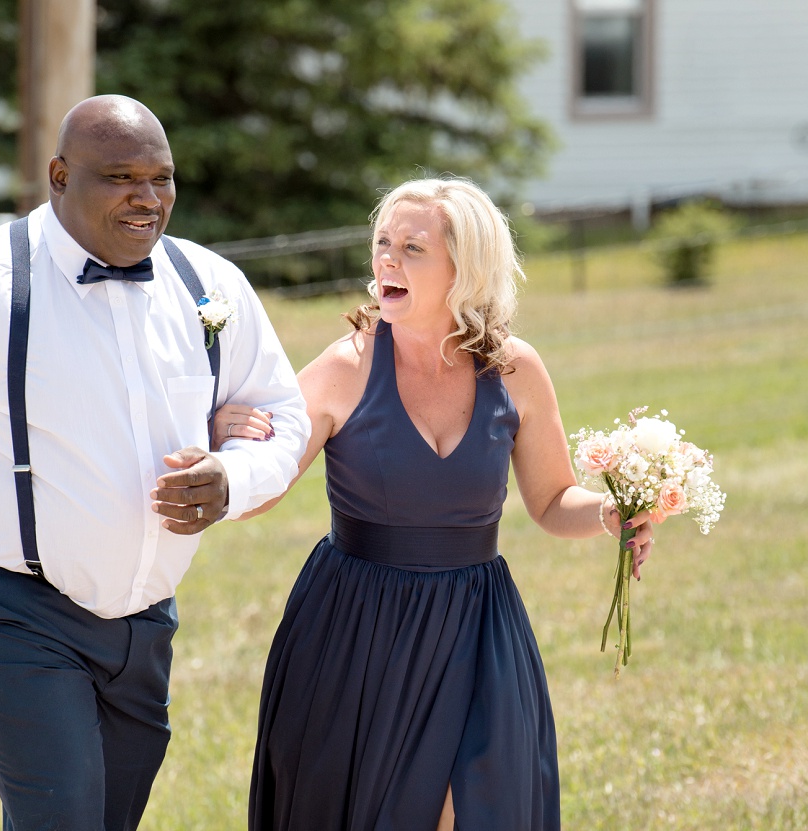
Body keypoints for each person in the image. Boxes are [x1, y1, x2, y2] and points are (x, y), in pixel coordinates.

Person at [0, 95, 310, 830]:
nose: (147, 199)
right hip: (2, 601)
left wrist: (234, 477)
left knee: (110, 815)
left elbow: (281, 412)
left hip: (143, 617)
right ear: (58, 175)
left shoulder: (206, 285)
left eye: (161, 178)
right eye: (120, 177)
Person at [210, 177, 655, 830]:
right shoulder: (343, 368)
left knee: (479, 805)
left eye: (412, 248)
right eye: (382, 243)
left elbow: (554, 498)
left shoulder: (515, 369)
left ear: (464, 268)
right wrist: (223, 445)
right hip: (356, 631)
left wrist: (609, 513)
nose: (386, 259)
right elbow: (257, 492)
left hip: (476, 629)